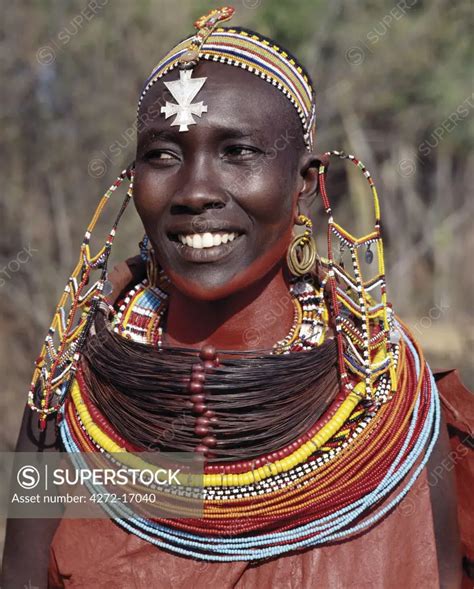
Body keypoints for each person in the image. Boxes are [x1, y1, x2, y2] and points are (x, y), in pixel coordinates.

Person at [2, 6, 472, 588]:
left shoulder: (390, 391)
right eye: (163, 156)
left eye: (238, 152)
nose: (195, 191)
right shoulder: (70, 392)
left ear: (304, 183)